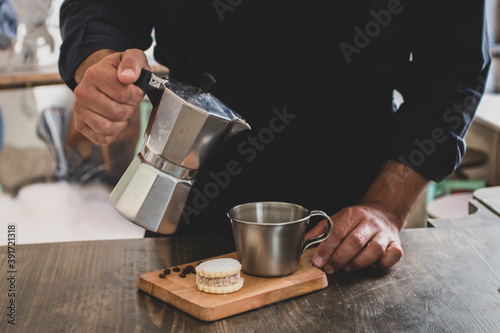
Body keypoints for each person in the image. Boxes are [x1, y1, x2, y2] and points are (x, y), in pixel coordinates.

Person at [59, 0, 490, 274]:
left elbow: (455, 66)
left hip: (344, 227)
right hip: (191, 209)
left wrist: (385, 206)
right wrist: (100, 65)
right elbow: (100, 8)